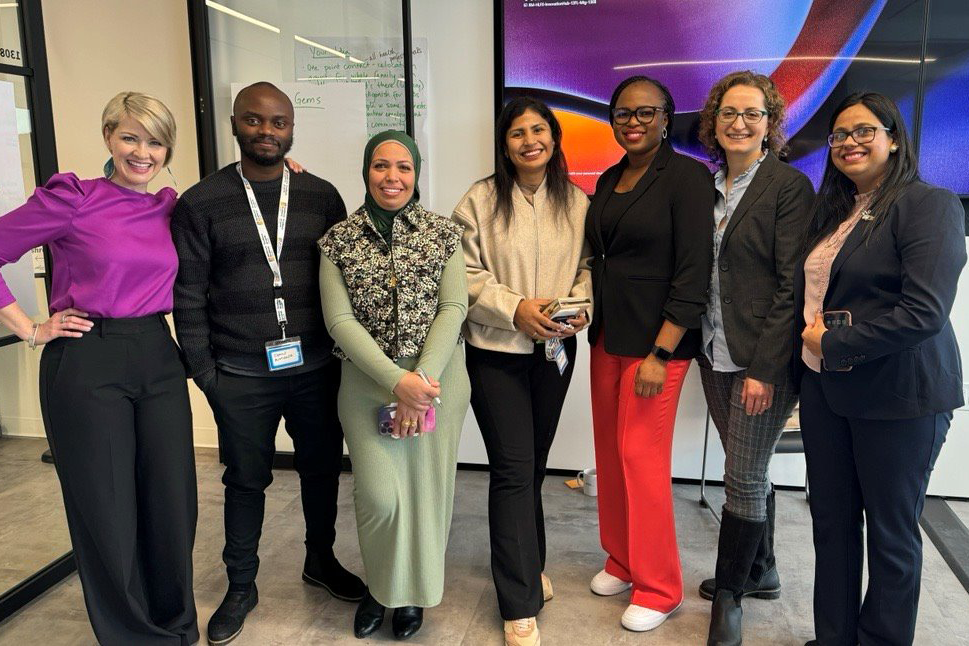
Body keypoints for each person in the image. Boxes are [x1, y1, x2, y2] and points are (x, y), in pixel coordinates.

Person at [0, 92, 198, 645]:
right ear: (109, 135)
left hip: (158, 356)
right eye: (130, 137)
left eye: (155, 141)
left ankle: (176, 628)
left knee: (172, 504)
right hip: (88, 359)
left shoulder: (169, 204)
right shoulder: (74, 197)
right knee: (107, 513)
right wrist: (31, 327)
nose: (143, 152)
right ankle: (134, 638)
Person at [171, 81, 365, 645]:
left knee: (322, 471)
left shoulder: (320, 196)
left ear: (291, 129)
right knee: (245, 480)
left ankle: (320, 561)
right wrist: (207, 377)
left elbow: (347, 277)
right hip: (240, 374)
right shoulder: (201, 202)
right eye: (254, 121)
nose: (266, 131)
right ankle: (241, 584)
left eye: (278, 122)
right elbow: (188, 296)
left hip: (315, 370)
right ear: (234, 125)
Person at [796, 92, 965, 646]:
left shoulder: (928, 204)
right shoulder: (835, 210)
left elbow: (923, 313)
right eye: (840, 134)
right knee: (833, 526)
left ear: (893, 137)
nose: (849, 142)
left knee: (891, 537)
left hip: (898, 395)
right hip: (826, 390)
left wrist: (835, 340)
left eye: (864, 130)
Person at [318, 130, 470, 641]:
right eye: (381, 166)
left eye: (403, 167)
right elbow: (338, 321)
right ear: (366, 172)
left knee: (426, 496)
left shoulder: (443, 233)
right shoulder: (338, 240)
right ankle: (381, 588)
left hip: (438, 379)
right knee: (381, 498)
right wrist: (395, 381)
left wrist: (420, 381)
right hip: (366, 383)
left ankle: (413, 597)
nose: (392, 177)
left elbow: (453, 307)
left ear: (416, 173)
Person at [453, 96, 592, 646]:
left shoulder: (577, 201)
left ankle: (529, 566)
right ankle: (516, 600)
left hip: (555, 352)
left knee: (533, 464)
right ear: (504, 142)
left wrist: (579, 305)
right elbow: (462, 272)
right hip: (495, 351)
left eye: (539, 130)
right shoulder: (479, 200)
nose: (529, 140)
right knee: (511, 468)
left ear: (554, 139)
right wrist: (515, 308)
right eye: (517, 132)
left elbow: (589, 267)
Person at [585, 75, 715, 632]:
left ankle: (661, 587)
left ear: (666, 118)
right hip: (609, 337)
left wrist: (661, 351)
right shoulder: (611, 177)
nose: (632, 123)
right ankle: (623, 558)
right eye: (622, 114)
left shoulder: (687, 178)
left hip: (656, 346)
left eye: (645, 113)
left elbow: (693, 272)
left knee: (641, 459)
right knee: (612, 455)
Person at [693, 71, 815, 645]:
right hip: (713, 350)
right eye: (728, 113)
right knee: (752, 465)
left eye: (752, 113)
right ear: (714, 123)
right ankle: (761, 570)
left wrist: (767, 370)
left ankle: (730, 598)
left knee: (740, 475)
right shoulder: (707, 186)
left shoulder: (787, 187)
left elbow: (792, 286)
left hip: (761, 359)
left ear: (770, 124)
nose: (739, 123)